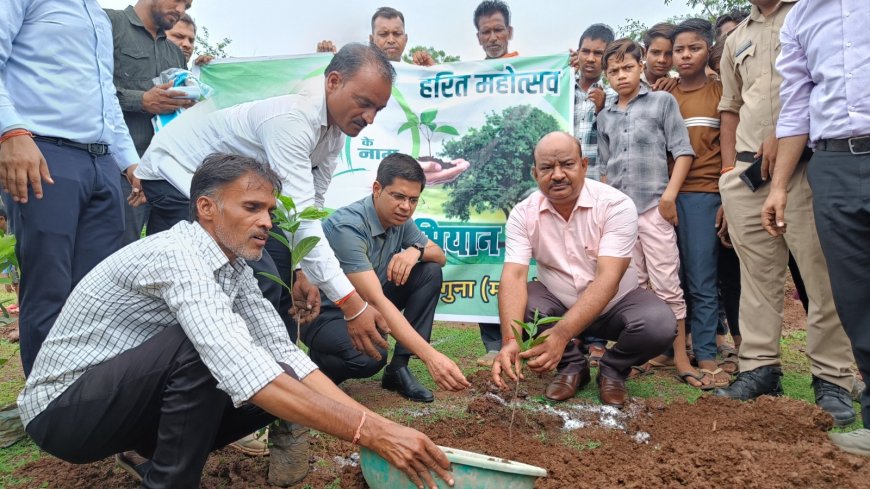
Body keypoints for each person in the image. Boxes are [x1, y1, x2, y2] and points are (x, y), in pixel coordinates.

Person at [17, 153, 456, 489]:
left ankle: (153, 456)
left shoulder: (236, 269)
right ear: (206, 208)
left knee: (275, 371)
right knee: (209, 350)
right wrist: (371, 433)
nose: (266, 221)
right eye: (251, 207)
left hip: (118, 407)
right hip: (62, 413)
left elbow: (287, 356)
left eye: (269, 210)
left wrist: (381, 426)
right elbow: (238, 365)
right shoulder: (178, 255)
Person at [713, 0, 856, 428]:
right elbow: (730, 107)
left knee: (822, 277)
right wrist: (728, 174)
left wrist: (784, 138)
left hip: (807, 166)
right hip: (747, 176)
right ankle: (759, 369)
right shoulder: (736, 38)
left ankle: (833, 379)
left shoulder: (814, 16)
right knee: (756, 277)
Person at [0, 0, 139, 377]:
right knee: (50, 287)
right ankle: (49, 407)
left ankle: (88, 401)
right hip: (41, 152)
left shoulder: (95, 13)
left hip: (101, 160)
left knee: (101, 290)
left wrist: (129, 161)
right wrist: (9, 131)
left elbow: (106, 96)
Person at [491, 132, 675, 407]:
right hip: (558, 299)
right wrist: (509, 340)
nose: (557, 175)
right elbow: (514, 276)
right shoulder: (523, 213)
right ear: (534, 173)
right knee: (523, 310)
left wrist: (562, 334)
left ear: (584, 166)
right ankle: (572, 366)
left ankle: (613, 369)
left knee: (659, 325)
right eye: (546, 168)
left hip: (616, 302)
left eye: (567, 164)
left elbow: (609, 278)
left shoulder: (616, 204)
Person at [761, 0, 869, 452]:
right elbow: (797, 102)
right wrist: (779, 184)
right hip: (834, 163)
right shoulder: (802, 18)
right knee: (856, 298)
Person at [304, 154, 470, 402]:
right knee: (371, 356)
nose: (406, 206)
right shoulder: (348, 227)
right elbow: (377, 300)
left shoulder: (400, 220)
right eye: (399, 196)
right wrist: (431, 357)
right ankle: (316, 371)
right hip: (325, 314)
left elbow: (440, 256)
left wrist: (415, 251)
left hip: (367, 303)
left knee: (429, 271)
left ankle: (398, 369)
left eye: (413, 200)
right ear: (377, 189)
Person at [598, 39, 704, 389]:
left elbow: (683, 151)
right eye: (613, 71)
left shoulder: (662, 102)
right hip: (620, 214)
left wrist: (669, 197)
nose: (621, 76)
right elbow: (603, 168)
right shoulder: (606, 115)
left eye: (627, 67)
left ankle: (681, 358)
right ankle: (642, 354)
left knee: (667, 282)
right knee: (636, 285)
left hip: (654, 208)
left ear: (641, 66)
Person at [669, 18, 731, 388]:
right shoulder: (663, 94)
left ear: (707, 49)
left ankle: (706, 352)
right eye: (679, 49)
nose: (685, 54)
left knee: (702, 279)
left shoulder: (721, 91)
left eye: (693, 47)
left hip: (705, 195)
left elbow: (726, 148)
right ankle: (667, 350)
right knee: (667, 278)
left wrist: (725, 195)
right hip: (666, 198)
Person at [105, 0, 192, 245]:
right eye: (178, 1)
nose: (181, 11)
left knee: (171, 251)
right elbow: (89, 87)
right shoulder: (110, 23)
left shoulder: (174, 52)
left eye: (187, 6)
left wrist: (190, 101)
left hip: (167, 171)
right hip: (120, 167)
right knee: (118, 251)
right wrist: (141, 100)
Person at [471, 0, 519, 366]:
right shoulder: (465, 76)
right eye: (485, 31)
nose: (492, 37)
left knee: (523, 263)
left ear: (509, 32)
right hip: (485, 189)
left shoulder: (529, 70)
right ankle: (492, 345)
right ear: (478, 36)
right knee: (486, 262)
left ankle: (528, 339)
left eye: (497, 29)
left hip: (518, 181)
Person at [570, 23, 618, 183]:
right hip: (563, 182)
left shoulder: (616, 96)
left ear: (608, 58)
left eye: (598, 53)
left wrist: (602, 111)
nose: (590, 59)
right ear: (577, 53)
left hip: (599, 184)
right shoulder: (562, 93)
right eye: (585, 51)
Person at [316, 7, 435, 66]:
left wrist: (430, 74)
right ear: (371, 40)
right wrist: (324, 63)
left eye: (397, 34)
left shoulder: (416, 75)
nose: (391, 40)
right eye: (383, 34)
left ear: (406, 39)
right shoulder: (356, 72)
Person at [642, 23, 679, 92]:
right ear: (645, 52)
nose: (662, 60)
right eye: (655, 52)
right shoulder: (627, 78)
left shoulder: (678, 81)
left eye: (669, 54)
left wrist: (677, 82)